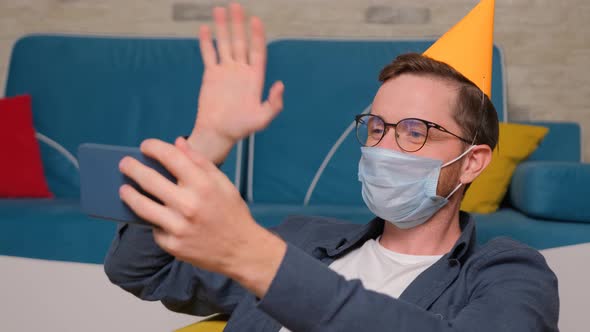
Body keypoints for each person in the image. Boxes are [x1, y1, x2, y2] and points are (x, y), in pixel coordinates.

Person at [104, 1, 559, 331]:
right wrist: (207, 142)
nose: (385, 146)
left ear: (472, 163)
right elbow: (140, 270)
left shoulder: (509, 272)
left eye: (416, 131)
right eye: (377, 126)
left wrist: (259, 260)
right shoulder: (301, 240)